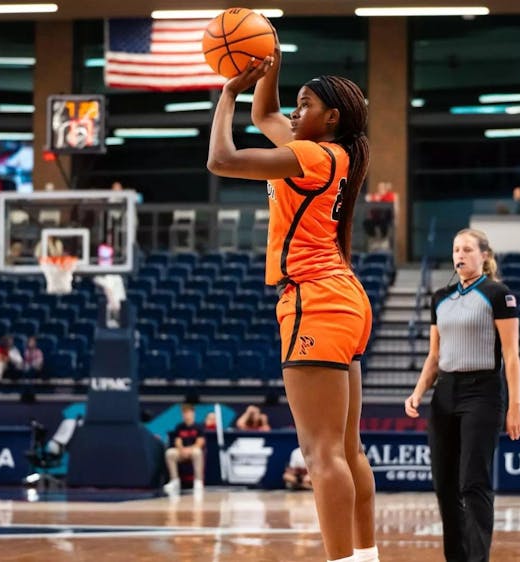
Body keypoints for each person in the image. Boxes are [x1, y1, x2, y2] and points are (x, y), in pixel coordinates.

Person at [207, 35, 376, 562]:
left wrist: (229, 90)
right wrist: (269, 66)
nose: (296, 111)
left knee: (320, 454)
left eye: (308, 104)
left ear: (331, 118)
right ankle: (365, 557)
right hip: (344, 295)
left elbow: (222, 159)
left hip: (315, 298)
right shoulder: (334, 154)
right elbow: (269, 110)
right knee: (347, 451)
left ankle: (344, 561)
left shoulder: (310, 155)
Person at [404, 228, 520, 562]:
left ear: (483, 255)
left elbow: (512, 356)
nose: (460, 255)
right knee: (444, 485)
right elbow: (433, 356)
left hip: (482, 393)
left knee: (473, 482)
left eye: (468, 249)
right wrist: (417, 393)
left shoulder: (498, 294)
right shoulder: (440, 298)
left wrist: (515, 406)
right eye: (456, 249)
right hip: (444, 393)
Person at [163, 403, 205, 495]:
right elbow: (177, 441)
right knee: (170, 453)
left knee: (198, 452)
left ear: (193, 414)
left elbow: (200, 443)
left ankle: (198, 482)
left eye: (189, 413)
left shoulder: (198, 427)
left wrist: (189, 450)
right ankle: (175, 481)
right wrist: (181, 449)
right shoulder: (179, 427)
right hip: (182, 452)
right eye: (185, 413)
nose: (187, 415)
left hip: (193, 451)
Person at [362, 181, 395, 251]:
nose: (381, 189)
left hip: (385, 220)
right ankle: (374, 237)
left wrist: (380, 198)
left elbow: (391, 200)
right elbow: (367, 198)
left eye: (382, 188)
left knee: (384, 223)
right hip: (375, 219)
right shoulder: (376, 196)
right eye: (379, 188)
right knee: (366, 223)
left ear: (385, 189)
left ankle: (382, 238)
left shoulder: (389, 196)